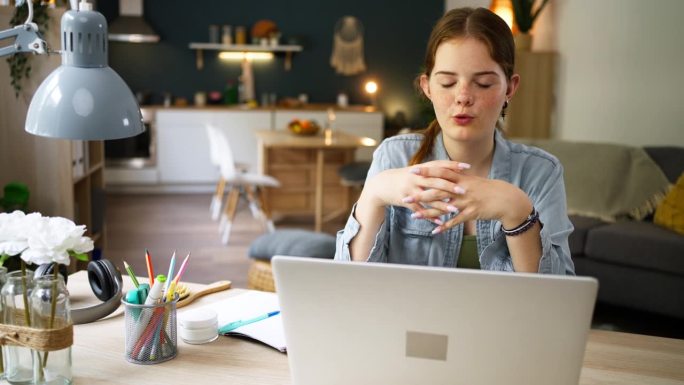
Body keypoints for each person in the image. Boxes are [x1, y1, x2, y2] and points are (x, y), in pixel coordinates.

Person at [334, 7, 574, 275]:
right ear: (427, 87)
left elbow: (553, 300)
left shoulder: (541, 173)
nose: (463, 97)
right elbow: (350, 281)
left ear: (510, 88)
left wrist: (517, 210)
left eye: (483, 83)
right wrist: (374, 194)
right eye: (447, 82)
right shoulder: (394, 157)